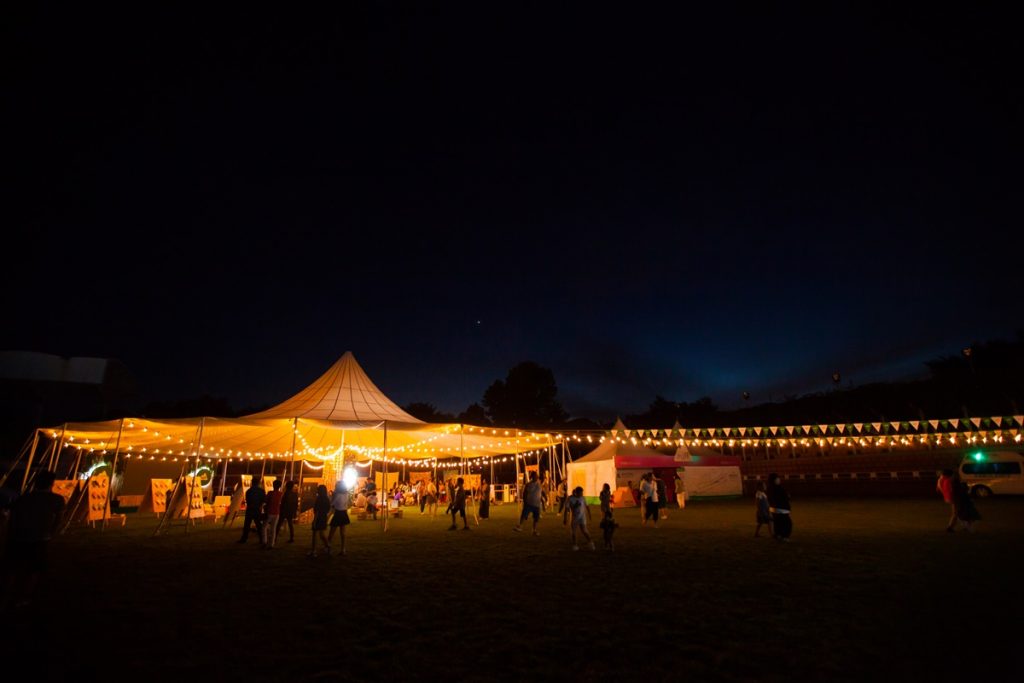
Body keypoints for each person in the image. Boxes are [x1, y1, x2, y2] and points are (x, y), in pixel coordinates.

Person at [2, 470, 65, 608]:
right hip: (39, 538)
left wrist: (10, 534)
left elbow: (12, 517)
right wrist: (51, 533)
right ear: (51, 484)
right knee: (34, 569)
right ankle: (24, 596)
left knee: (14, 567)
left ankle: (6, 595)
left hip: (19, 537)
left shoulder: (23, 498)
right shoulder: (57, 500)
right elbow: (58, 519)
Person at [563, 486, 595, 550]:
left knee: (584, 530)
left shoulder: (583, 498)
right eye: (580, 493)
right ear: (576, 492)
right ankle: (575, 545)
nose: (582, 494)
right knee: (574, 531)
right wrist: (565, 518)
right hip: (574, 518)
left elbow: (587, 506)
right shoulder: (570, 498)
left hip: (582, 517)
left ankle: (591, 543)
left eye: (582, 493)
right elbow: (566, 509)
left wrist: (589, 515)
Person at [513, 471, 543, 535]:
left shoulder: (539, 484)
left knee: (536, 518)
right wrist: (525, 501)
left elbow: (541, 492)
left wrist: (543, 499)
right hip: (529, 503)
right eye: (535, 476)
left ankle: (534, 530)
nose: (536, 477)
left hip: (537, 504)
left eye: (536, 476)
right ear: (532, 477)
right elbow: (525, 493)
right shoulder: (528, 484)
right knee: (524, 515)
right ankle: (519, 526)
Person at [238, 476, 266, 545]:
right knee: (258, 525)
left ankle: (244, 538)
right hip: (257, 510)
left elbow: (248, 501)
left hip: (250, 509)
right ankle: (261, 539)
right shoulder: (261, 491)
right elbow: (264, 500)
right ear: (258, 483)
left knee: (247, 525)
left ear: (252, 483)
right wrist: (260, 505)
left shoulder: (248, 491)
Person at [766, 473, 792, 541]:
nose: (779, 480)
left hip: (774, 508)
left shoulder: (769, 488)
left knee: (777, 522)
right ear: (774, 480)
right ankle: (785, 536)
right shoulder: (778, 488)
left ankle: (778, 535)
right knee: (786, 523)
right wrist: (787, 497)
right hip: (782, 508)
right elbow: (785, 497)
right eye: (777, 478)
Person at [327, 480, 351, 555]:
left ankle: (328, 547)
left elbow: (332, 504)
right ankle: (343, 549)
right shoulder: (346, 494)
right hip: (344, 513)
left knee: (331, 532)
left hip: (338, 513)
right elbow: (348, 504)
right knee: (343, 533)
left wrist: (331, 496)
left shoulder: (337, 494)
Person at [308, 484, 331, 558]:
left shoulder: (319, 499)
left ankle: (314, 551)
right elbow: (328, 509)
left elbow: (317, 511)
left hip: (318, 517)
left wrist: (314, 521)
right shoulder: (327, 499)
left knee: (315, 534)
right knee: (322, 534)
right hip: (324, 517)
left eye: (318, 489)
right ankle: (328, 546)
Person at [262, 479, 283, 549]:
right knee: (273, 529)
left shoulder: (270, 493)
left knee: (264, 527)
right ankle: (272, 544)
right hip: (277, 512)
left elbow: (265, 501)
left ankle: (264, 541)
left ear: (273, 485)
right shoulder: (281, 494)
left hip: (269, 512)